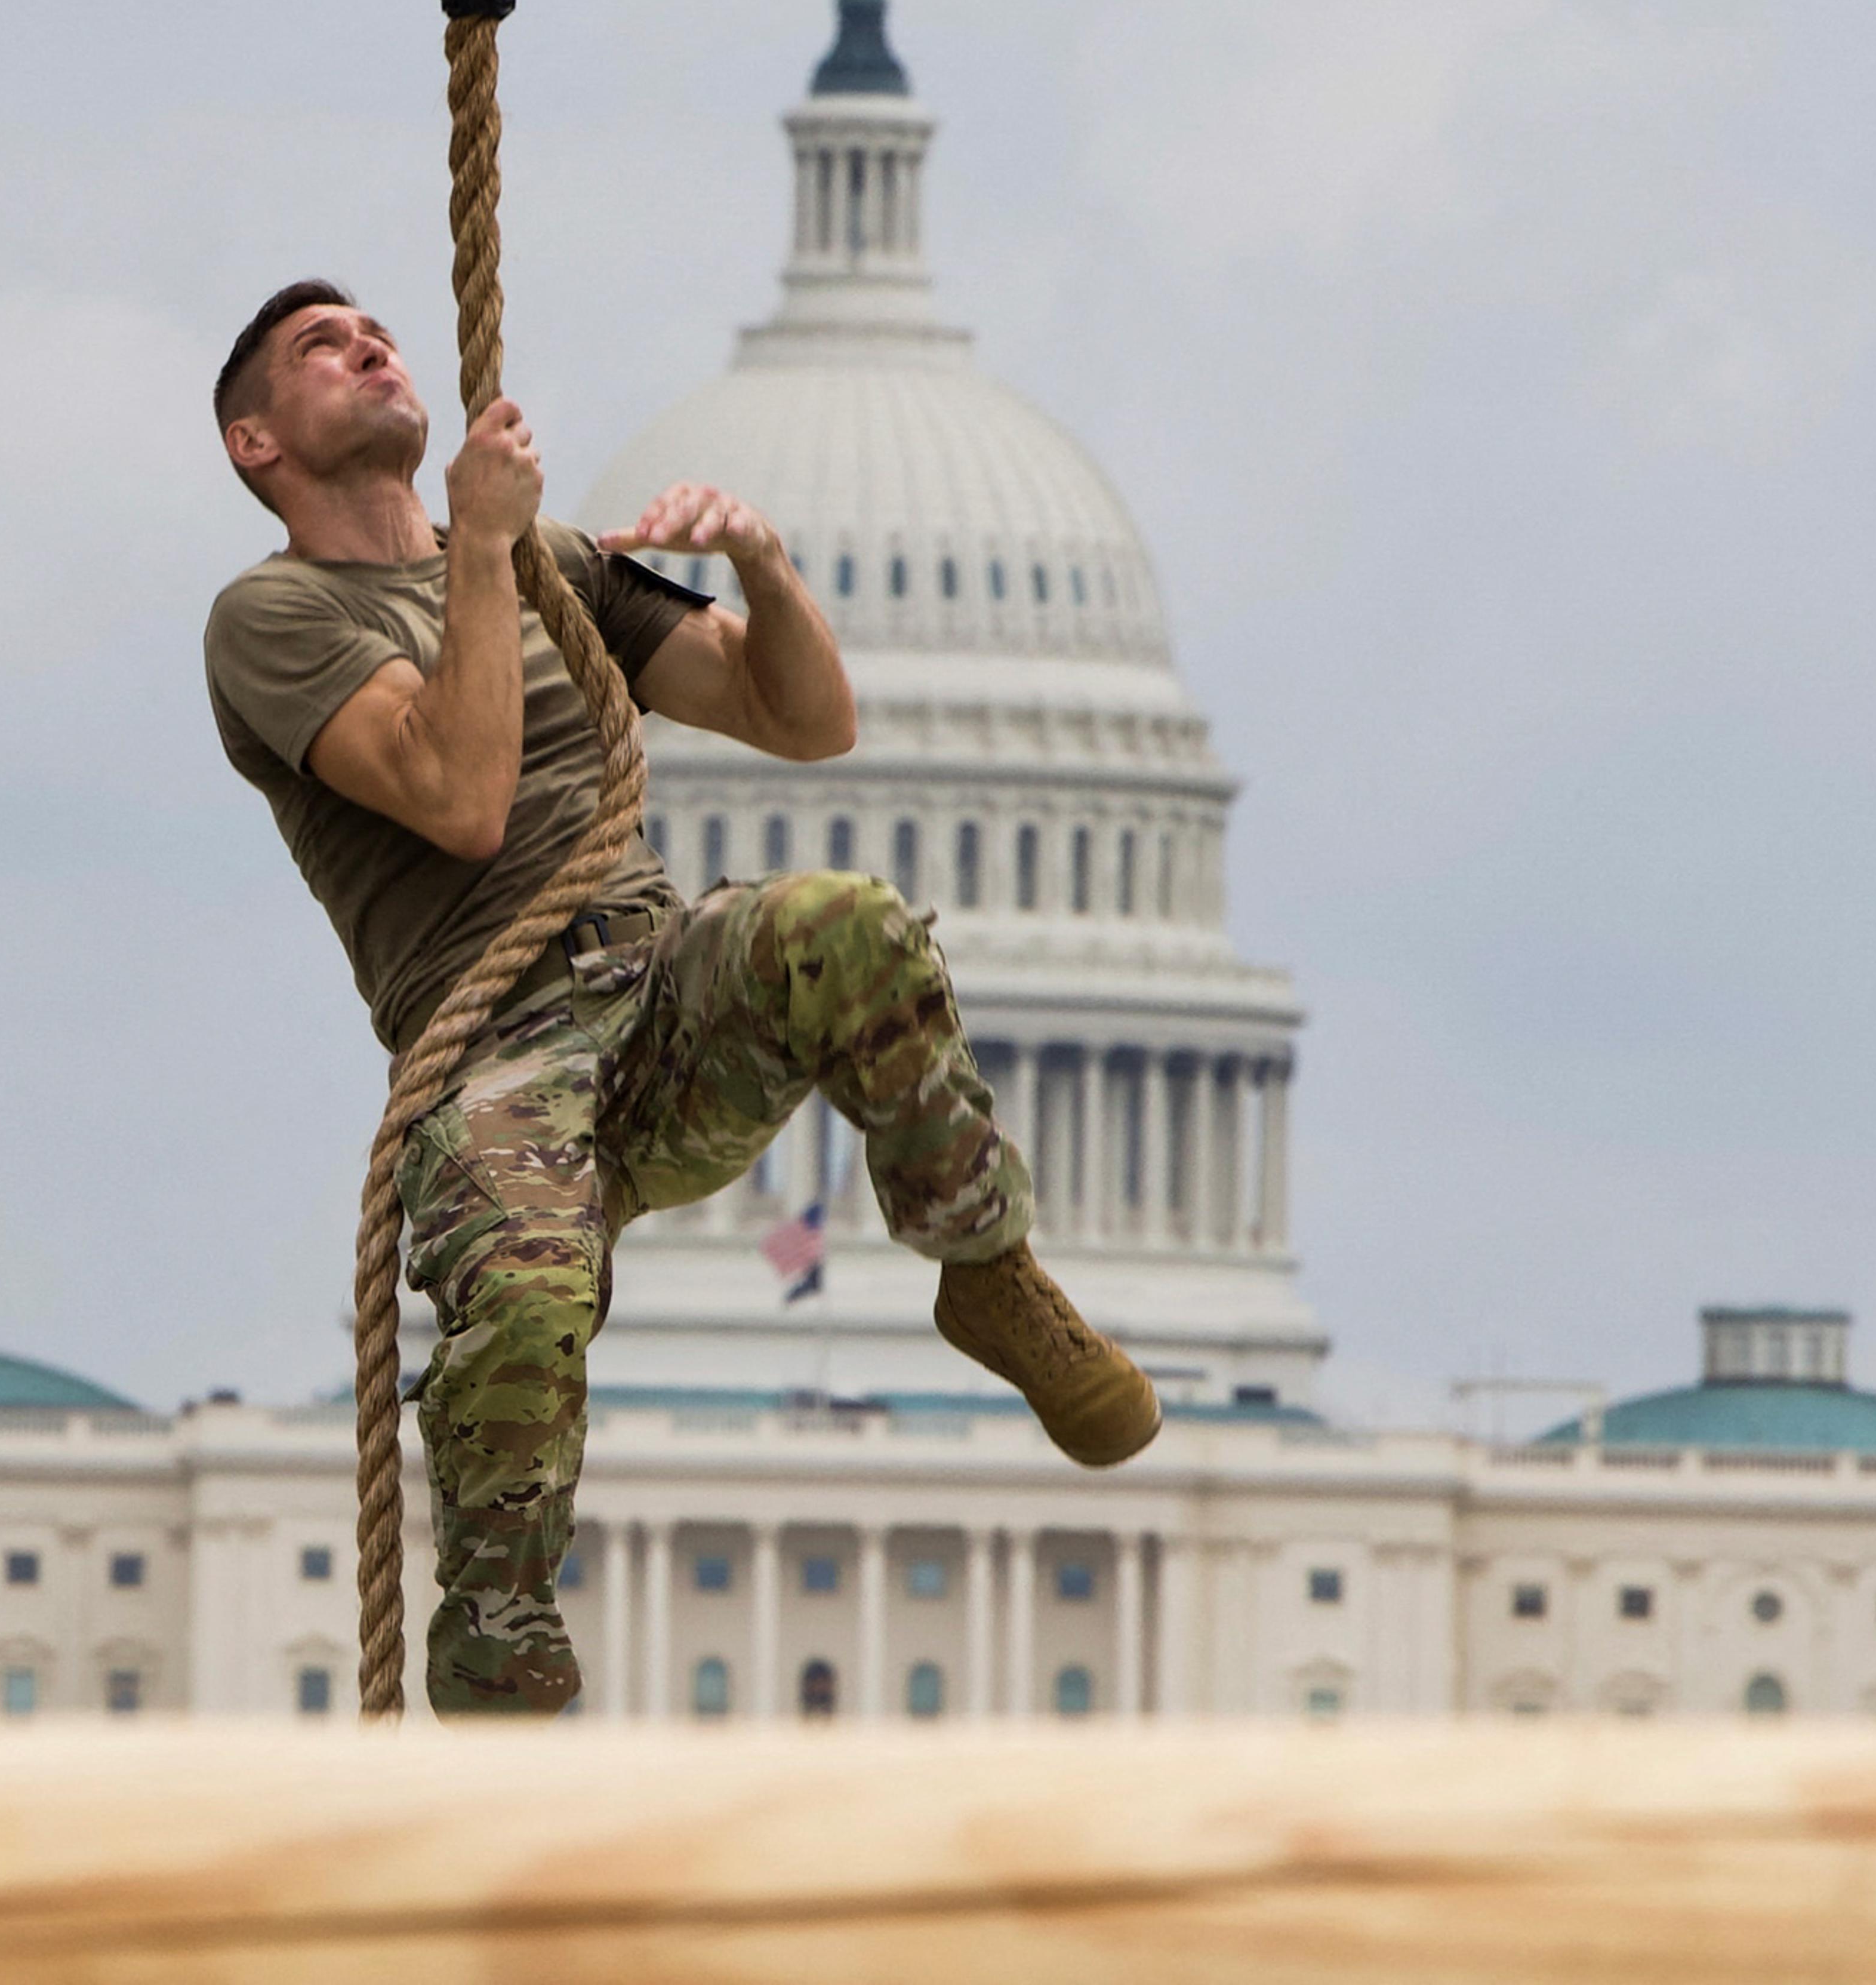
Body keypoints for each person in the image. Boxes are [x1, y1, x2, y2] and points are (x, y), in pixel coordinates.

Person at [203, 279, 1160, 1713]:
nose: (372, 349)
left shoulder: (560, 569)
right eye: (319, 351)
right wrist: (477, 547)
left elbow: (804, 721)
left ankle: (987, 1270)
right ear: (254, 445)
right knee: (521, 1300)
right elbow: (459, 802)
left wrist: (766, 568)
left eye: (376, 332)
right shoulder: (272, 618)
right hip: (499, 1060)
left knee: (846, 922)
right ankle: (500, 1646)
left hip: (655, 998)